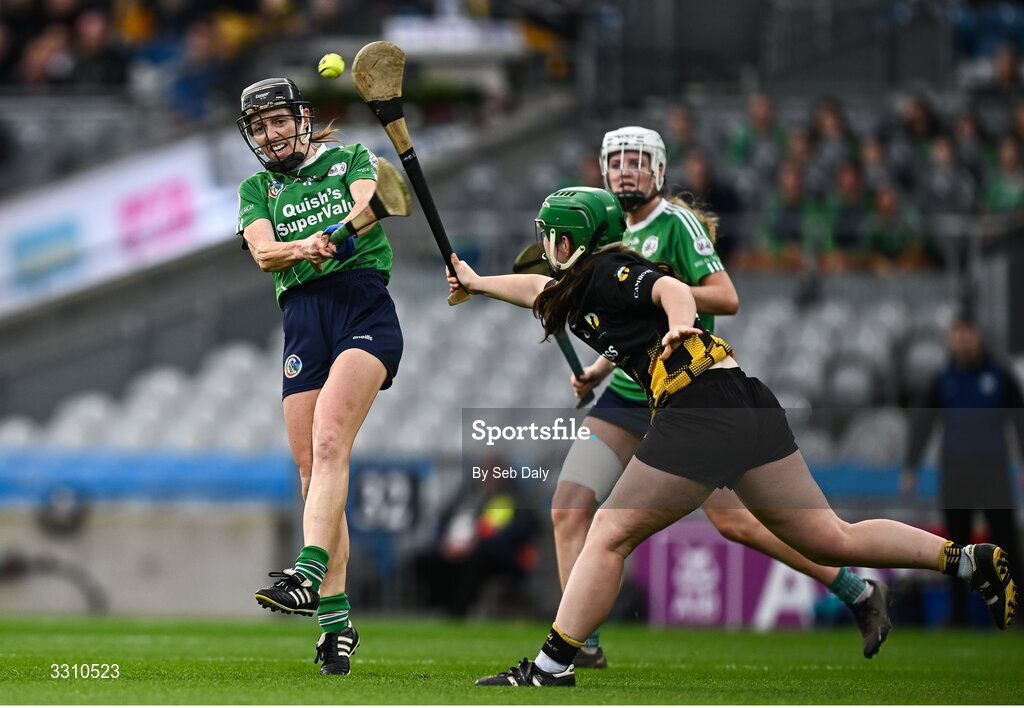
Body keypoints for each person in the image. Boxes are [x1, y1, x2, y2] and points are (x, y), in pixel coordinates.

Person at [446, 186, 1016, 687]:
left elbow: (671, 290)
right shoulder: (579, 286)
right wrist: (476, 282)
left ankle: (551, 666)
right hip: (741, 400)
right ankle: (967, 560)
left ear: (573, 239)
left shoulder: (611, 271)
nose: (545, 246)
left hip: (699, 409)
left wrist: (677, 321)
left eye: (551, 236)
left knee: (607, 533)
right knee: (832, 538)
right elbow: (532, 289)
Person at [552, 129, 890, 668]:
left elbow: (727, 297)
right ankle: (580, 648)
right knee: (569, 507)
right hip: (624, 395)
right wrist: (596, 367)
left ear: (659, 171)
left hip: (685, 395)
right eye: (617, 163)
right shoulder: (600, 230)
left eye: (638, 163)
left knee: (737, 522)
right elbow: (617, 317)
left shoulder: (677, 225)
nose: (626, 172)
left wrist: (668, 288)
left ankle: (856, 589)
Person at [235, 77, 403, 676]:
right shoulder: (257, 188)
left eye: (278, 121)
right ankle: (337, 627)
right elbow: (262, 252)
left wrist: (334, 236)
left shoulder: (350, 158)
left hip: (362, 305)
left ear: (302, 119)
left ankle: (306, 573)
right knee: (312, 471)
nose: (270, 134)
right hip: (303, 320)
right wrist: (306, 245)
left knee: (332, 440)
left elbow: (373, 202)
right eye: (258, 127)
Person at [903, 315, 1024, 627]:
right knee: (955, 545)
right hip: (955, 471)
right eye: (957, 334)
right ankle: (958, 616)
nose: (963, 340)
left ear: (978, 337)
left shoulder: (999, 376)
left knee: (1005, 541)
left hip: (993, 470)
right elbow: (923, 424)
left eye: (968, 333)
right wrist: (911, 466)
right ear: (950, 339)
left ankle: (1016, 613)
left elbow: (1019, 421)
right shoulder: (943, 379)